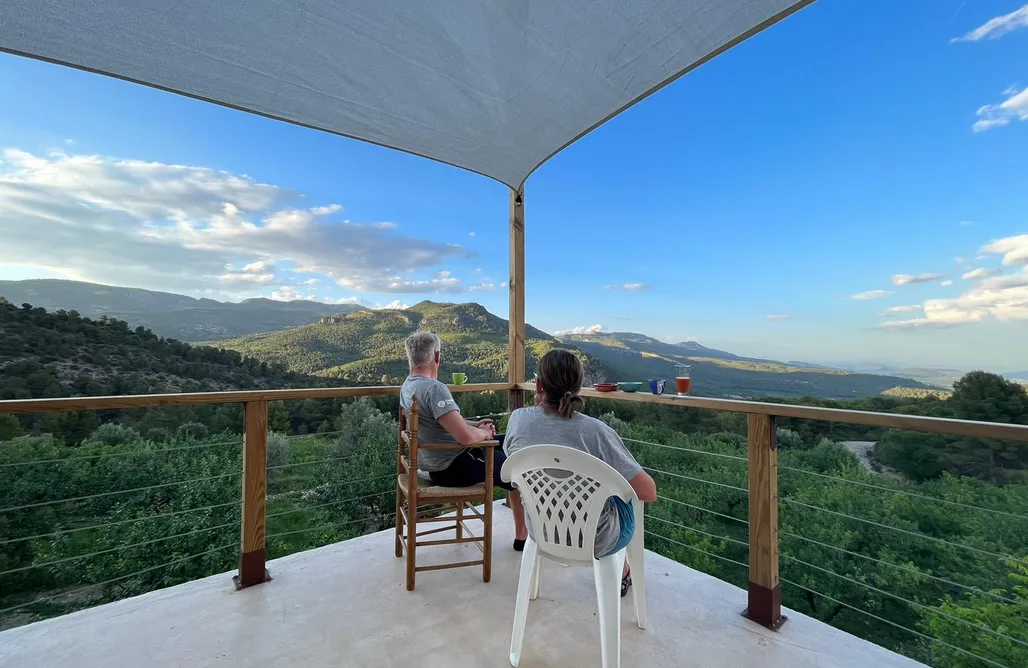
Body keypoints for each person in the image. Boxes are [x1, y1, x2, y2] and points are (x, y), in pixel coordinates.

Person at [503, 349, 657, 596]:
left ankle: (622, 568)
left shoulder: (518, 420)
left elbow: (512, 472)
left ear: (539, 385)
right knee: (622, 496)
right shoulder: (595, 431)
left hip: (541, 531)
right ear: (578, 387)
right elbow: (648, 492)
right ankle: (624, 569)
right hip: (596, 539)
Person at [399, 331, 529, 550]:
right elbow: (465, 438)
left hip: (439, 461)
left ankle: (522, 533)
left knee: (512, 441)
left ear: (410, 358)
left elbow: (449, 422)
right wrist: (484, 434)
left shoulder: (408, 386)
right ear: (437, 357)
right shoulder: (434, 388)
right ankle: (523, 536)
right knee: (517, 465)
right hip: (452, 467)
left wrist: (476, 426)